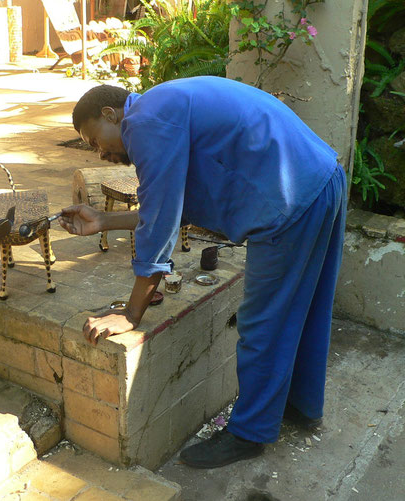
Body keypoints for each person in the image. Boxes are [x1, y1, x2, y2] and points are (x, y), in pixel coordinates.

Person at [59, 76, 347, 469]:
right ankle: (300, 406)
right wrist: (103, 220)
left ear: (110, 114)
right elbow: (168, 206)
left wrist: (130, 314)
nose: (99, 152)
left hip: (289, 204)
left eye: (95, 140)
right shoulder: (163, 108)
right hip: (321, 179)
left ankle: (249, 433)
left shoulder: (142, 122)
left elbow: (160, 222)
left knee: (261, 323)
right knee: (305, 309)